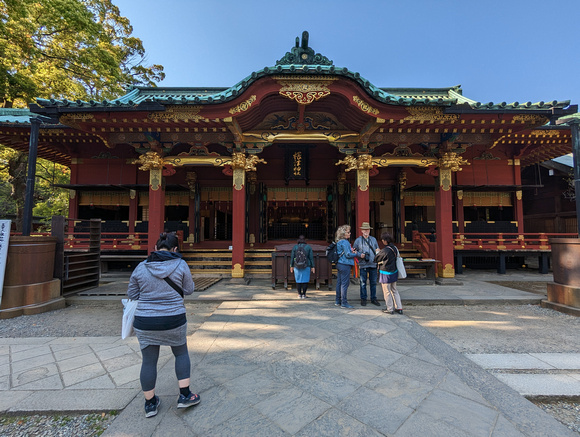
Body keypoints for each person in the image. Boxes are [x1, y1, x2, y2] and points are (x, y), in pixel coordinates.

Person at [127, 232, 199, 418]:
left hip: (146, 320)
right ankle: (184, 395)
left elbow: (132, 294)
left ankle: (150, 404)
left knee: (149, 361)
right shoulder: (180, 264)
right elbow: (189, 290)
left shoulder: (141, 267)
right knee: (181, 352)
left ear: (155, 248)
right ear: (175, 249)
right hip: (173, 317)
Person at [353, 222, 380, 307]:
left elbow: (377, 249)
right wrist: (359, 255)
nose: (366, 231)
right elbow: (353, 251)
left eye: (367, 229)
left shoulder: (373, 239)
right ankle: (363, 298)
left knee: (373, 283)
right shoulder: (358, 240)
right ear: (361, 230)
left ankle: (373, 298)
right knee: (363, 283)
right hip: (363, 264)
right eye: (364, 229)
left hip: (373, 264)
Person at [375, 232, 403, 315]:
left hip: (385, 272)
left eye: (383, 240)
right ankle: (399, 307)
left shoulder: (385, 250)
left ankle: (390, 308)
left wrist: (377, 252)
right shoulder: (394, 248)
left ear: (385, 241)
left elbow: (376, 258)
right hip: (394, 271)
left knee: (387, 291)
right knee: (394, 290)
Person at [334, 224, 358, 308]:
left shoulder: (339, 241)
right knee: (345, 284)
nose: (350, 233)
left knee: (339, 283)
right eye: (348, 232)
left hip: (339, 264)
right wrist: (356, 254)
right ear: (344, 233)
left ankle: (338, 300)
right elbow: (348, 255)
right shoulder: (345, 242)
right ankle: (344, 302)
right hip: (345, 264)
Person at [290, 235, 315, 299]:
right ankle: (304, 294)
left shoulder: (295, 247)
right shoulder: (308, 247)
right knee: (305, 280)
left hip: (297, 266)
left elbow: (292, 257)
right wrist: (313, 267)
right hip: (306, 265)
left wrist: (291, 266)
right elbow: (311, 258)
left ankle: (299, 294)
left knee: (298, 280)